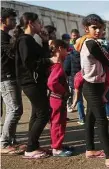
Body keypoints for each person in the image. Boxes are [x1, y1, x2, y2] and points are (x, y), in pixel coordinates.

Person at [75, 14, 109, 169]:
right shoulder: (91, 43)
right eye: (94, 27)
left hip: (95, 85)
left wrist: (108, 54)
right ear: (86, 29)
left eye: (100, 28)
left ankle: (90, 149)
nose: (98, 30)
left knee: (91, 118)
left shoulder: (91, 42)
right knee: (101, 120)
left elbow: (108, 60)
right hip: (91, 86)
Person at [14, 12, 54, 158]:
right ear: (31, 23)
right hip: (30, 81)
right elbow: (29, 64)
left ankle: (34, 145)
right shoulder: (24, 40)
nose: (41, 25)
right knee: (44, 113)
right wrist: (50, 61)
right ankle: (30, 149)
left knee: (36, 113)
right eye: (38, 22)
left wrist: (44, 42)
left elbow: (41, 58)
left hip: (35, 81)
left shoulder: (30, 39)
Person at [0, 7, 24, 155]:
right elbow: (10, 53)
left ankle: (12, 140)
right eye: (12, 19)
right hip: (6, 77)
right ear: (2, 21)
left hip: (11, 76)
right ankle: (4, 143)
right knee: (14, 110)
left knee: (16, 110)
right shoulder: (2, 37)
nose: (15, 22)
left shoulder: (6, 36)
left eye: (15, 19)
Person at [47, 39, 73, 157]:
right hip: (57, 99)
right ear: (59, 49)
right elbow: (52, 83)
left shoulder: (54, 64)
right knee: (58, 123)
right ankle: (56, 148)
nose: (67, 52)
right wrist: (63, 92)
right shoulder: (57, 65)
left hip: (56, 98)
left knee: (58, 122)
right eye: (65, 49)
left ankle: (58, 145)